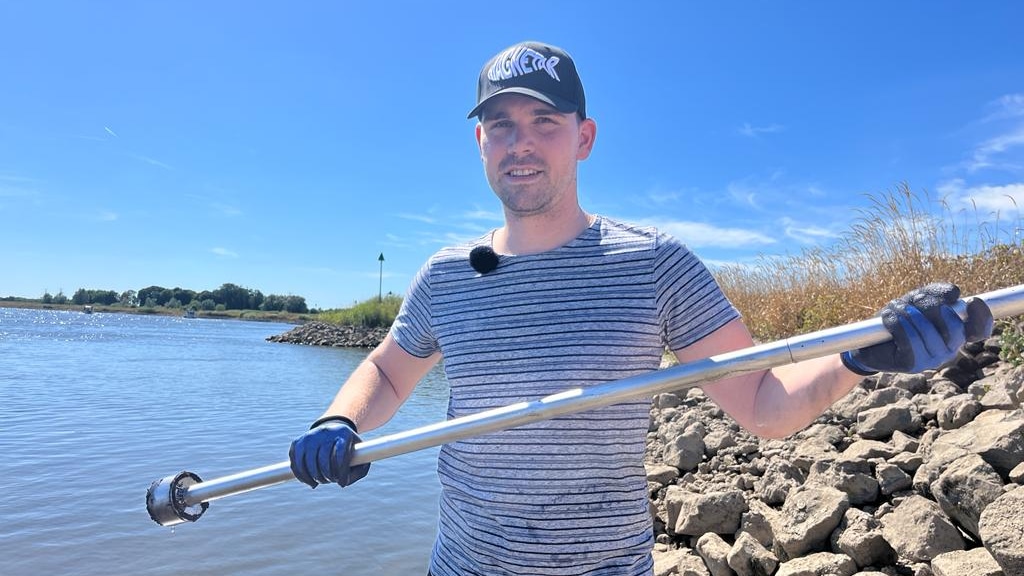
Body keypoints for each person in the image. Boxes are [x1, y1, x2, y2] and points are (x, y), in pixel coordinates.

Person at [289, 41, 994, 576]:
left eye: (544, 120)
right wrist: (341, 417)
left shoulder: (655, 263)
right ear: (480, 143)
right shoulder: (446, 275)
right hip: (463, 563)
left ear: (584, 137)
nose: (521, 142)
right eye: (501, 125)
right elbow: (386, 372)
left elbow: (763, 406)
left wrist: (861, 356)